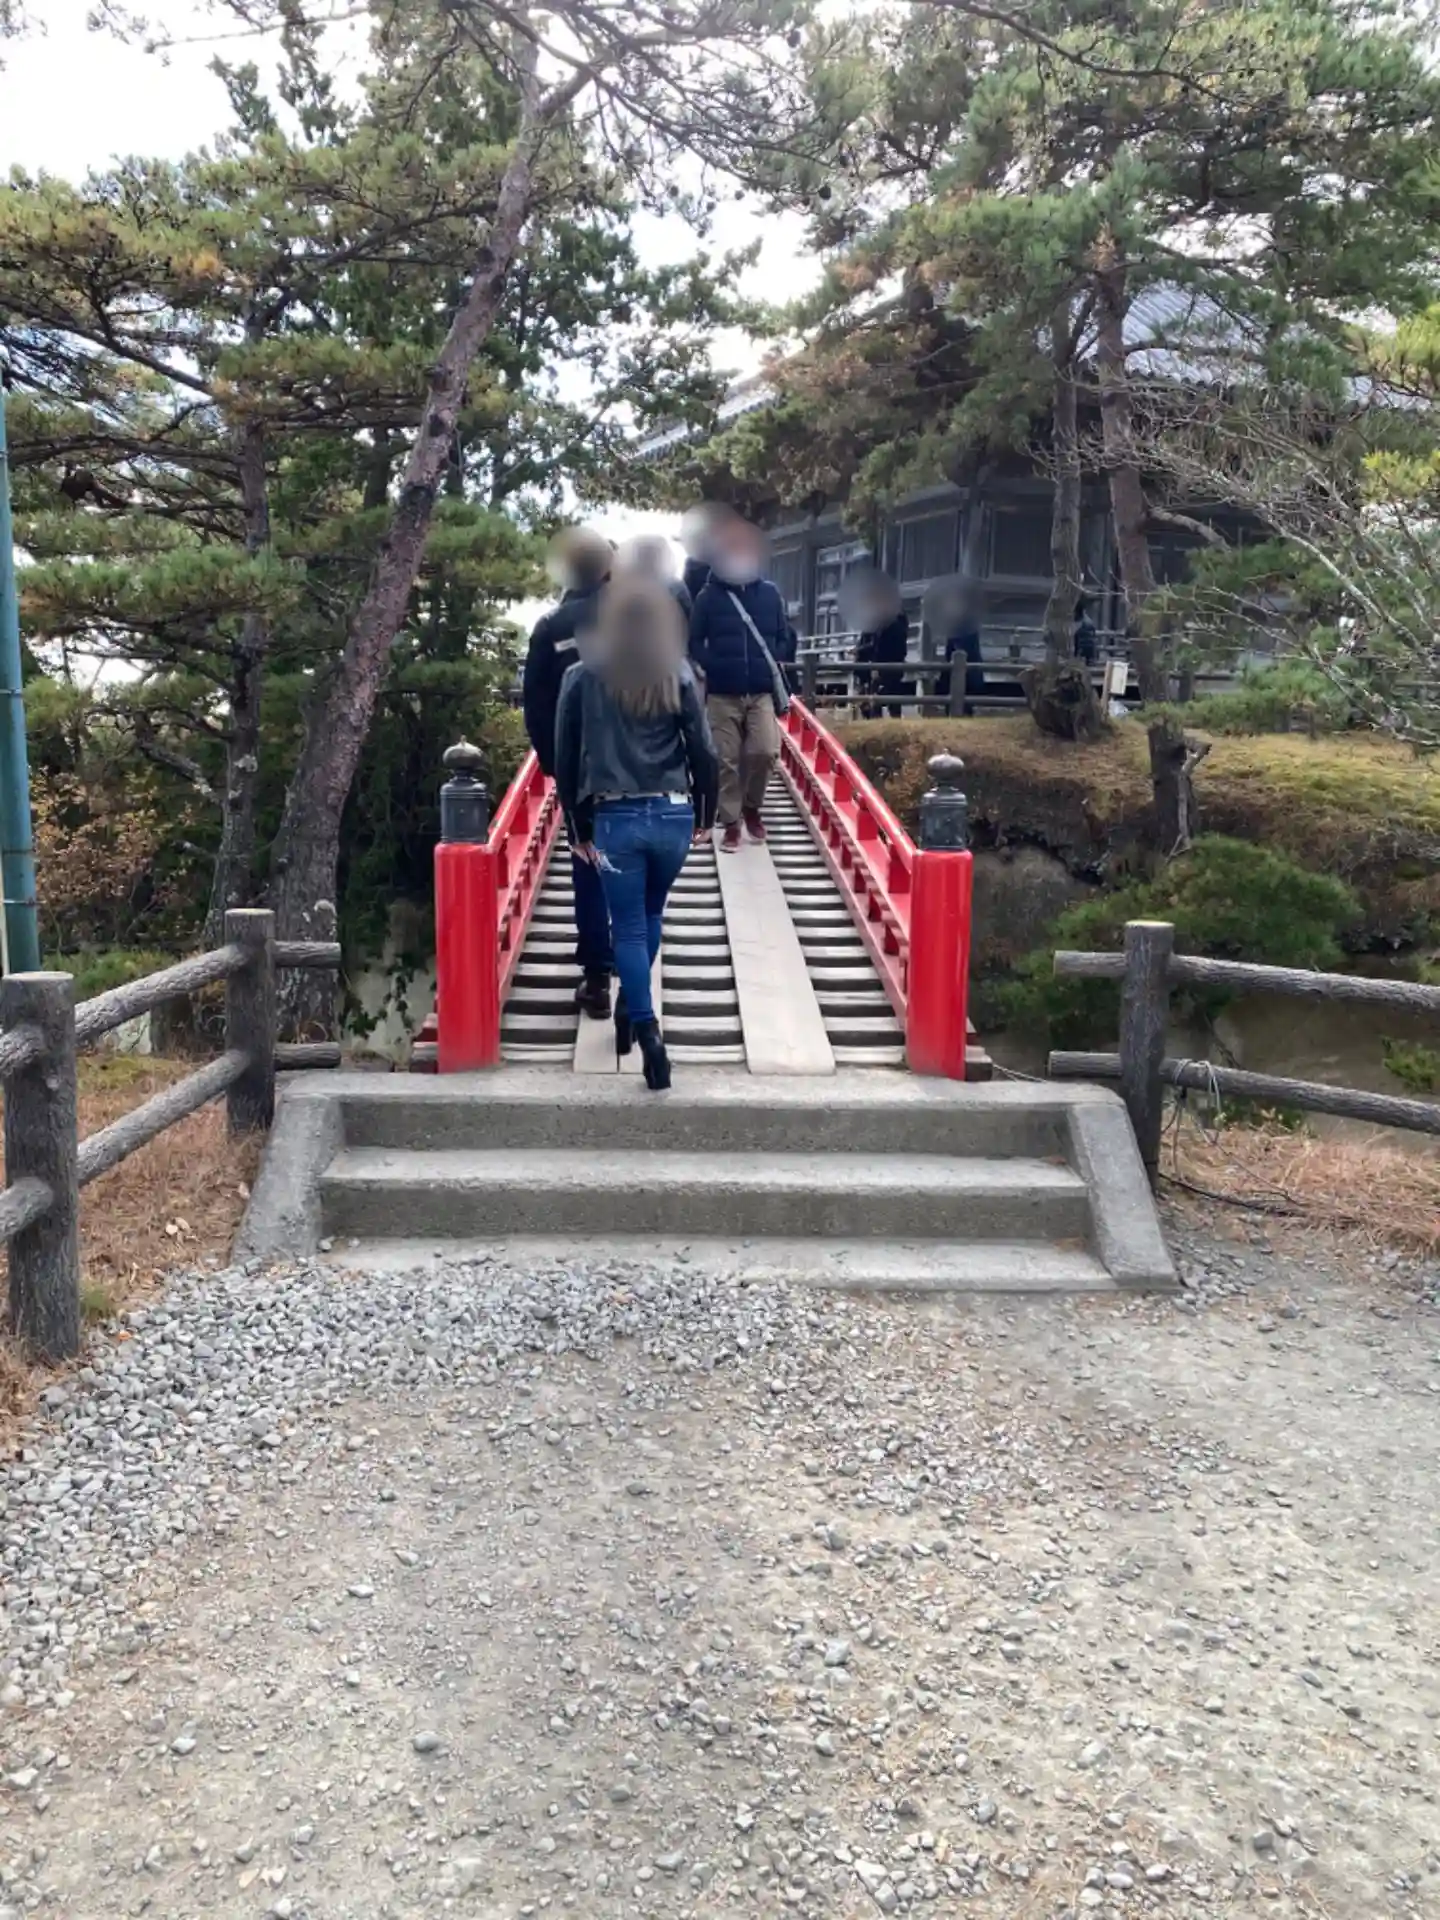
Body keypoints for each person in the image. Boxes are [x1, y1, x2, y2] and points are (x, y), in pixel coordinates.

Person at [554, 575, 718, 1091]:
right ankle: (632, 1002)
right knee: (650, 916)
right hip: (672, 817)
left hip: (615, 819)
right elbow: (704, 751)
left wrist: (576, 826)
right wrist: (708, 814)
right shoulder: (677, 673)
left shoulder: (581, 676)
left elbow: (565, 758)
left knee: (626, 927)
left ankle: (647, 1031)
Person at [522, 527, 615, 1019]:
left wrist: (552, 761)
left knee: (589, 861)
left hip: (577, 765)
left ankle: (597, 978)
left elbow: (535, 705)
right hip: (636, 764)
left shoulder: (550, 627)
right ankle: (635, 972)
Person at [688, 518, 797, 851]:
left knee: (765, 751)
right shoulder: (708, 597)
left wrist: (776, 655)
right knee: (726, 759)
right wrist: (712, 664)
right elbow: (693, 641)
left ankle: (752, 806)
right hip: (722, 692)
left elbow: (785, 635)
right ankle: (731, 822)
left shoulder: (770, 594)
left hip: (760, 689)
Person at [856, 605, 910, 719]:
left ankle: (876, 718)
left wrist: (875, 664)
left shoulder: (885, 622)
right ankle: (892, 719)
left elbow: (878, 645)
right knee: (892, 697)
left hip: (885, 663)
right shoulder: (898, 619)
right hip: (896, 663)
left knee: (878, 696)